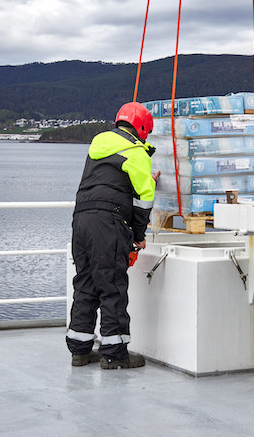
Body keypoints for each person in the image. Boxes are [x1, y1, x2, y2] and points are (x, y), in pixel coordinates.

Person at [66, 101, 160, 369]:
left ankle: (80, 350)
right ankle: (115, 354)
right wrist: (139, 234)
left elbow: (108, 183)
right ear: (142, 128)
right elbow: (143, 200)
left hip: (81, 220)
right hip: (108, 223)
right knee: (112, 286)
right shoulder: (138, 153)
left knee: (85, 283)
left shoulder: (97, 146)